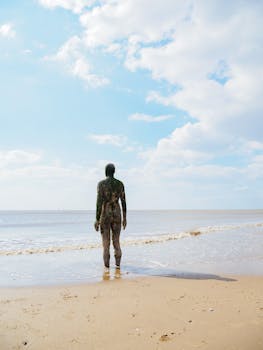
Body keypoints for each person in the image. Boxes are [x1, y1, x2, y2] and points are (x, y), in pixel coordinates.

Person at [94, 163, 127, 270]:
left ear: (106, 171)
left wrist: (97, 219)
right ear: (114, 172)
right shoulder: (120, 184)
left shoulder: (101, 184)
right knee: (116, 241)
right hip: (117, 213)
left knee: (106, 243)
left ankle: (107, 267)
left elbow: (99, 202)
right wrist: (125, 218)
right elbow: (123, 202)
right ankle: (118, 265)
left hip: (106, 213)